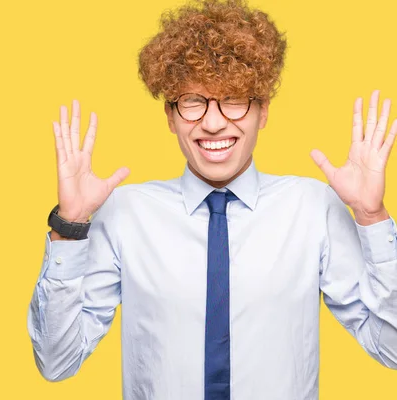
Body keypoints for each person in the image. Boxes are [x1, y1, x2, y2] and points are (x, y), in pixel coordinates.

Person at [26, 0, 397, 398]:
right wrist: (70, 227)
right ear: (170, 116)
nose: (214, 121)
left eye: (234, 99)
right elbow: (57, 361)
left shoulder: (311, 207)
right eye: (192, 101)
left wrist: (370, 216)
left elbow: (390, 349)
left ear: (263, 111)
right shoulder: (126, 213)